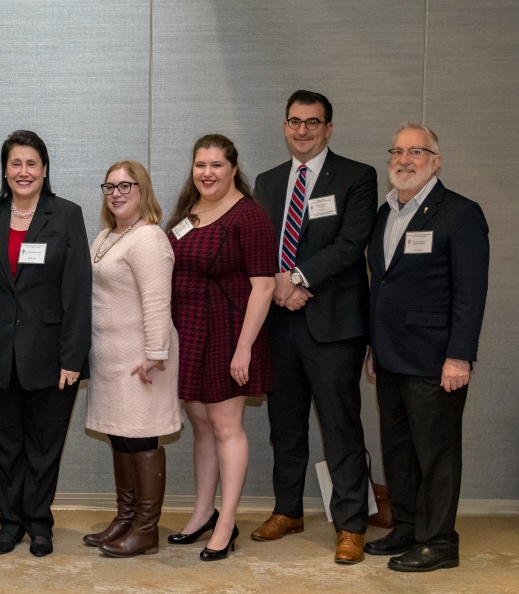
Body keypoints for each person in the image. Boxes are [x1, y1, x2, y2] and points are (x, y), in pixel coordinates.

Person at [252, 90, 378, 565]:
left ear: (328, 128)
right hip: (279, 326)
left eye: (312, 122)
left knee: (340, 426)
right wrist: (280, 286)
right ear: (284, 126)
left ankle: (351, 524)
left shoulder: (356, 176)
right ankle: (288, 511)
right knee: (284, 427)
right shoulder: (267, 181)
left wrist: (298, 279)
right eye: (294, 122)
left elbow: (350, 244)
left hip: (333, 325)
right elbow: (259, 243)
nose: (302, 130)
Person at [365, 123, 489, 572]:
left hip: (437, 359)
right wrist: (372, 347)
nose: (404, 159)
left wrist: (460, 355)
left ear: (436, 161)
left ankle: (438, 541)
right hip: (390, 356)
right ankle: (407, 526)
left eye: (416, 151)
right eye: (396, 151)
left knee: (435, 452)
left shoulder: (459, 213)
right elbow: (380, 286)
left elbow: (470, 294)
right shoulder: (384, 214)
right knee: (398, 448)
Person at [0, 130, 91, 557]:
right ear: (5, 171)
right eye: (15, 164)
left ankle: (40, 523)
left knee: (45, 446)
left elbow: (77, 291)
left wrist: (73, 356)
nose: (23, 172)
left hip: (50, 354)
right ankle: (10, 523)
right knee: (6, 447)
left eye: (32, 164)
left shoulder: (66, 215)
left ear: (45, 169)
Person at [166, 135, 275, 561]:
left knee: (227, 428)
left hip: (229, 332)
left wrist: (244, 347)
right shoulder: (187, 213)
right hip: (189, 332)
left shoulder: (249, 216)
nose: (207, 173)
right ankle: (202, 512)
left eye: (216, 165)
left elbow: (263, 286)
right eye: (200, 165)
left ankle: (226, 522)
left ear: (233, 168)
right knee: (202, 428)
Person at [83, 160, 182, 558]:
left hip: (142, 361)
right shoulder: (107, 235)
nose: (118, 193)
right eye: (110, 186)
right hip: (110, 359)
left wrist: (155, 354)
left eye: (127, 185)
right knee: (120, 437)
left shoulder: (149, 238)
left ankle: (145, 529)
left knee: (142, 439)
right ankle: (125, 519)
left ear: (143, 191)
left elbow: (158, 301)